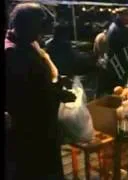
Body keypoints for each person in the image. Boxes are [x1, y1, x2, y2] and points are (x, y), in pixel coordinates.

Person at [5, 3, 76, 180]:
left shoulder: (28, 44)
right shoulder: (12, 53)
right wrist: (58, 93)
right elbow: (28, 95)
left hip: (42, 126)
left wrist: (58, 81)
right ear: (24, 24)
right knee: (36, 170)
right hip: (30, 131)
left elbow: (38, 79)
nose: (42, 32)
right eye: (39, 25)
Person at [101, 7, 128, 95]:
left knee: (116, 87)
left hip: (117, 63)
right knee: (118, 88)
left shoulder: (116, 27)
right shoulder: (118, 29)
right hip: (119, 64)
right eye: (127, 16)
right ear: (121, 16)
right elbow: (125, 46)